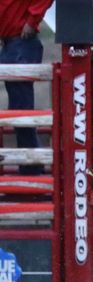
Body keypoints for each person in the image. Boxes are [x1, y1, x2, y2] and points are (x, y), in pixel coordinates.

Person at [0, 0, 54, 175]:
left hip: (20, 42)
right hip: (12, 43)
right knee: (19, 110)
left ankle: (32, 168)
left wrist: (32, 20)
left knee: (20, 110)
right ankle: (31, 166)